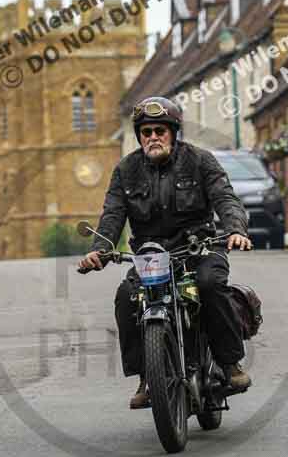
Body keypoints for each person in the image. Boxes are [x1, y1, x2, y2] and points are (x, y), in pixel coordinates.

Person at [78, 96, 253, 409]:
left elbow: (225, 198)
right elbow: (113, 214)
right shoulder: (126, 170)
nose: (153, 137)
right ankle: (147, 377)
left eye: (160, 130)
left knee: (210, 285)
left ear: (174, 132)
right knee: (126, 296)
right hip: (151, 255)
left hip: (199, 248)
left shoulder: (200, 161)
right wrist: (99, 249)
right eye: (147, 132)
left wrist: (236, 230)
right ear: (140, 137)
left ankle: (230, 364)